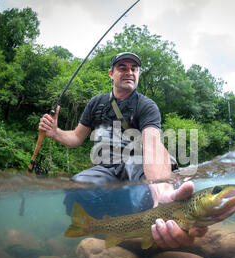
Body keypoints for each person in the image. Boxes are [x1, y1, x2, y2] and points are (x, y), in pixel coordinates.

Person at [39, 52, 207, 248]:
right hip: (106, 167)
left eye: (134, 69)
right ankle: (106, 232)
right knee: (76, 189)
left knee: (142, 196)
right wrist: (56, 132)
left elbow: (153, 145)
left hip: (137, 163)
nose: (129, 72)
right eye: (123, 68)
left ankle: (150, 228)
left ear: (139, 75)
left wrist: (160, 188)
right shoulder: (96, 103)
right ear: (111, 73)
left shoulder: (146, 105)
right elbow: (76, 137)